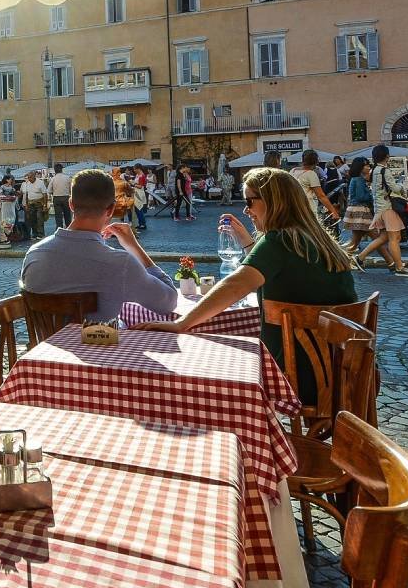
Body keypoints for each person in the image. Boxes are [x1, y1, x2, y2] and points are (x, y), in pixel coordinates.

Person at [134, 168, 356, 404]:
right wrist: (248, 243)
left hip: (296, 377)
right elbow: (277, 273)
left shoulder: (279, 241)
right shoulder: (319, 241)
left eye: (250, 201)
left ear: (274, 202)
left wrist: (181, 324)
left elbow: (235, 285)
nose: (246, 209)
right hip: (344, 371)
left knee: (211, 373)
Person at [21, 169, 176, 321]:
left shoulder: (34, 253)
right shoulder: (121, 264)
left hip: (45, 345)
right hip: (99, 345)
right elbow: (169, 301)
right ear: (111, 210)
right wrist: (134, 247)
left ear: (71, 205)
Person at [357, 144, 408, 276]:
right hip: (388, 208)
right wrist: (403, 186)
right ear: (387, 156)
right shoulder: (385, 170)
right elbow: (395, 188)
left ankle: (360, 258)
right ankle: (399, 267)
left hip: (380, 207)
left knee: (384, 237)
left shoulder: (375, 170)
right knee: (395, 237)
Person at [291, 149, 340, 223]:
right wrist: (333, 212)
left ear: (303, 160)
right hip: (308, 209)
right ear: (316, 161)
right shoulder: (311, 174)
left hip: (294, 207)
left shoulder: (293, 171)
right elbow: (321, 196)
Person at [342, 157, 375, 254]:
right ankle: (391, 263)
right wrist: (371, 195)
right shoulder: (359, 180)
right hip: (360, 210)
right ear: (360, 167)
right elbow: (361, 197)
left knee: (355, 241)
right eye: (366, 165)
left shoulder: (355, 179)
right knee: (376, 237)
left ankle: (344, 259)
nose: (368, 167)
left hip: (356, 210)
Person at [21, 169, 49, 239]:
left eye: (30, 177)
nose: (29, 179)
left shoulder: (40, 182)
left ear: (34, 176)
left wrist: (45, 205)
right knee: (32, 219)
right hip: (30, 203)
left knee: (39, 218)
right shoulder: (28, 183)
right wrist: (26, 204)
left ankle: (41, 234)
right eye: (28, 177)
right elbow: (27, 195)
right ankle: (34, 234)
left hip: (39, 203)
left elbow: (45, 194)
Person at [49, 163, 71, 229]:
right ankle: (68, 229)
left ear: (55, 170)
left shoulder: (53, 179)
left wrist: (54, 193)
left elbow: (49, 190)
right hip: (66, 198)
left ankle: (59, 230)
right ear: (62, 170)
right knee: (67, 215)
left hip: (56, 198)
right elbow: (71, 189)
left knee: (58, 216)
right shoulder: (67, 178)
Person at [131, 163, 149, 232]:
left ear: (138, 169)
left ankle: (143, 224)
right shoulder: (138, 175)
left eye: (135, 169)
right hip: (137, 193)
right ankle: (141, 223)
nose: (134, 170)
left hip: (139, 193)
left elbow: (140, 186)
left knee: (139, 209)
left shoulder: (141, 176)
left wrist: (133, 184)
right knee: (137, 209)